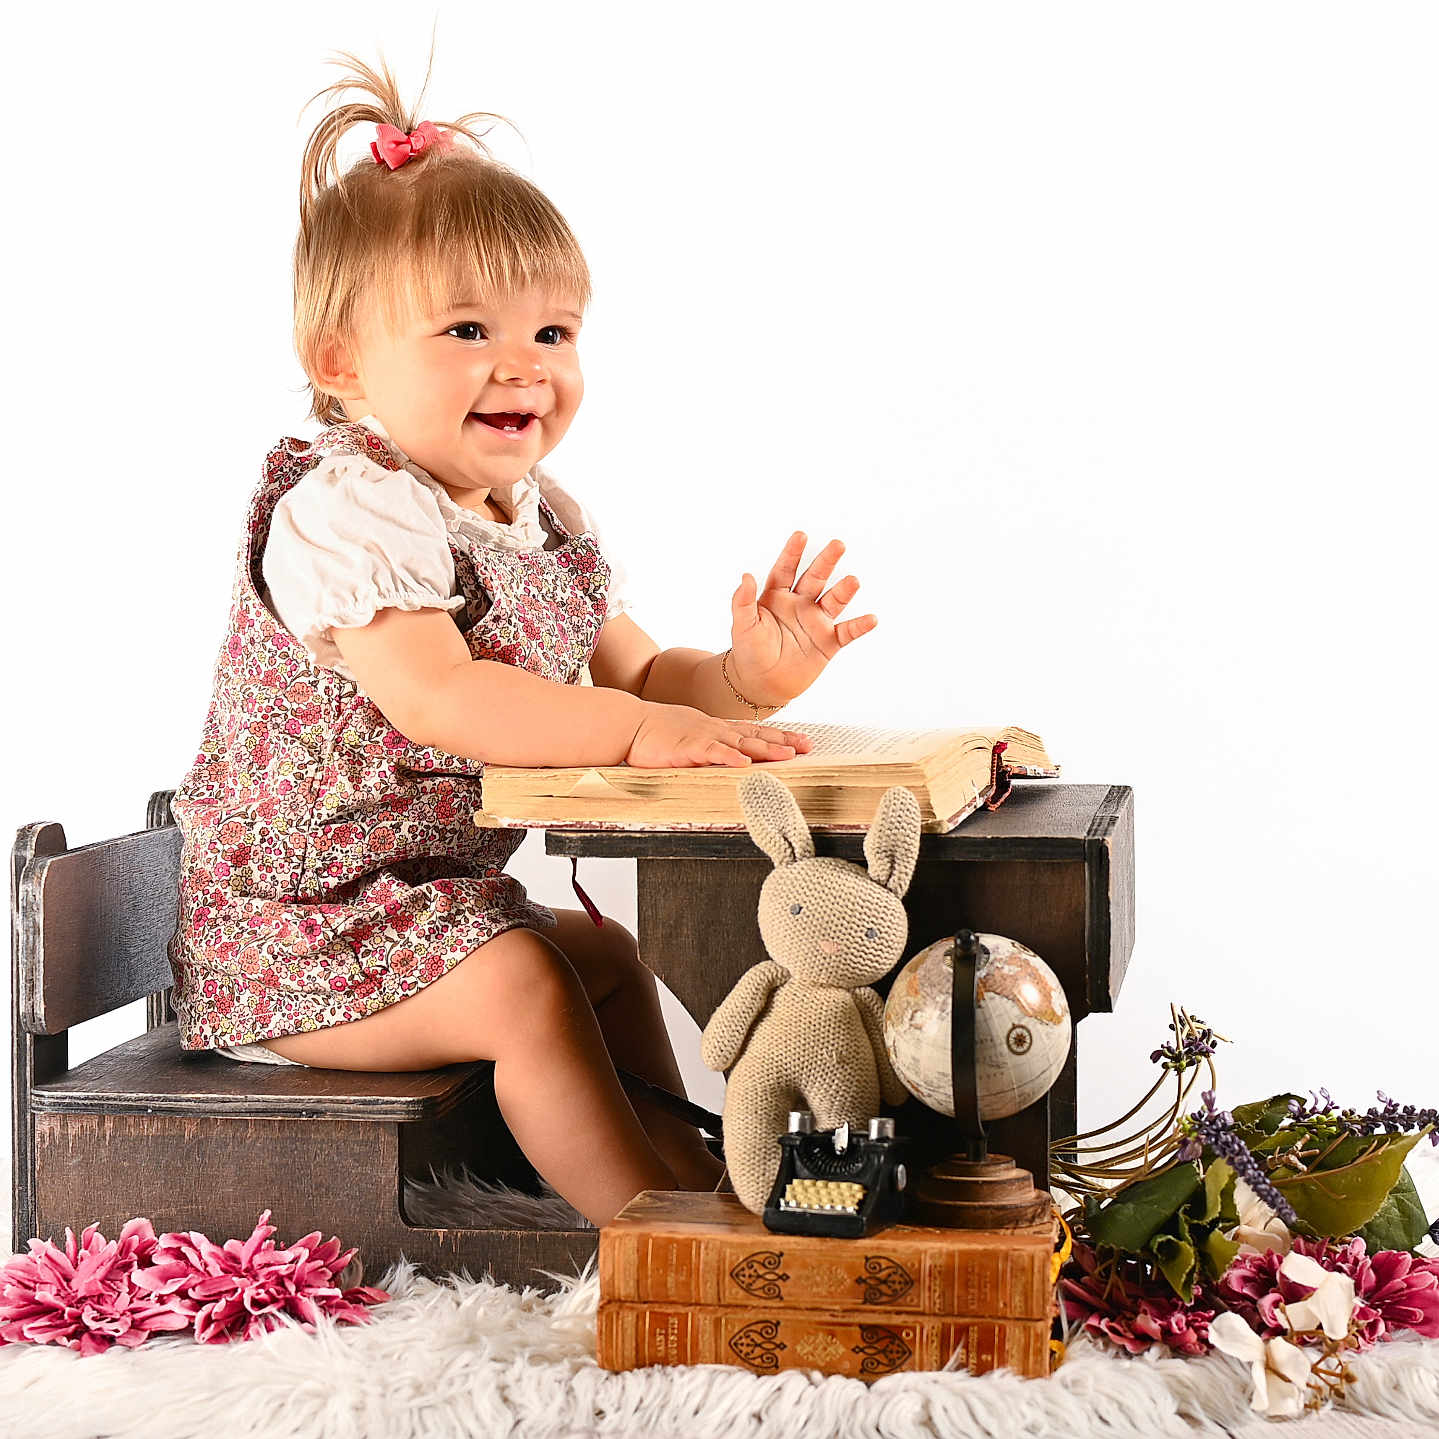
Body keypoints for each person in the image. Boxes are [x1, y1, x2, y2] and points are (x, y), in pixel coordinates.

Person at [166, 51, 878, 1228]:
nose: (523, 364)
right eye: (464, 329)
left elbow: (643, 675)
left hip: (410, 905)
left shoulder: (537, 515)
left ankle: (698, 1173)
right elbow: (443, 699)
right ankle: (649, 1226)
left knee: (601, 959)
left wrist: (746, 675)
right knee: (526, 983)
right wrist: (648, 730)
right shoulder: (347, 508)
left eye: (553, 328)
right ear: (339, 361)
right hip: (292, 935)